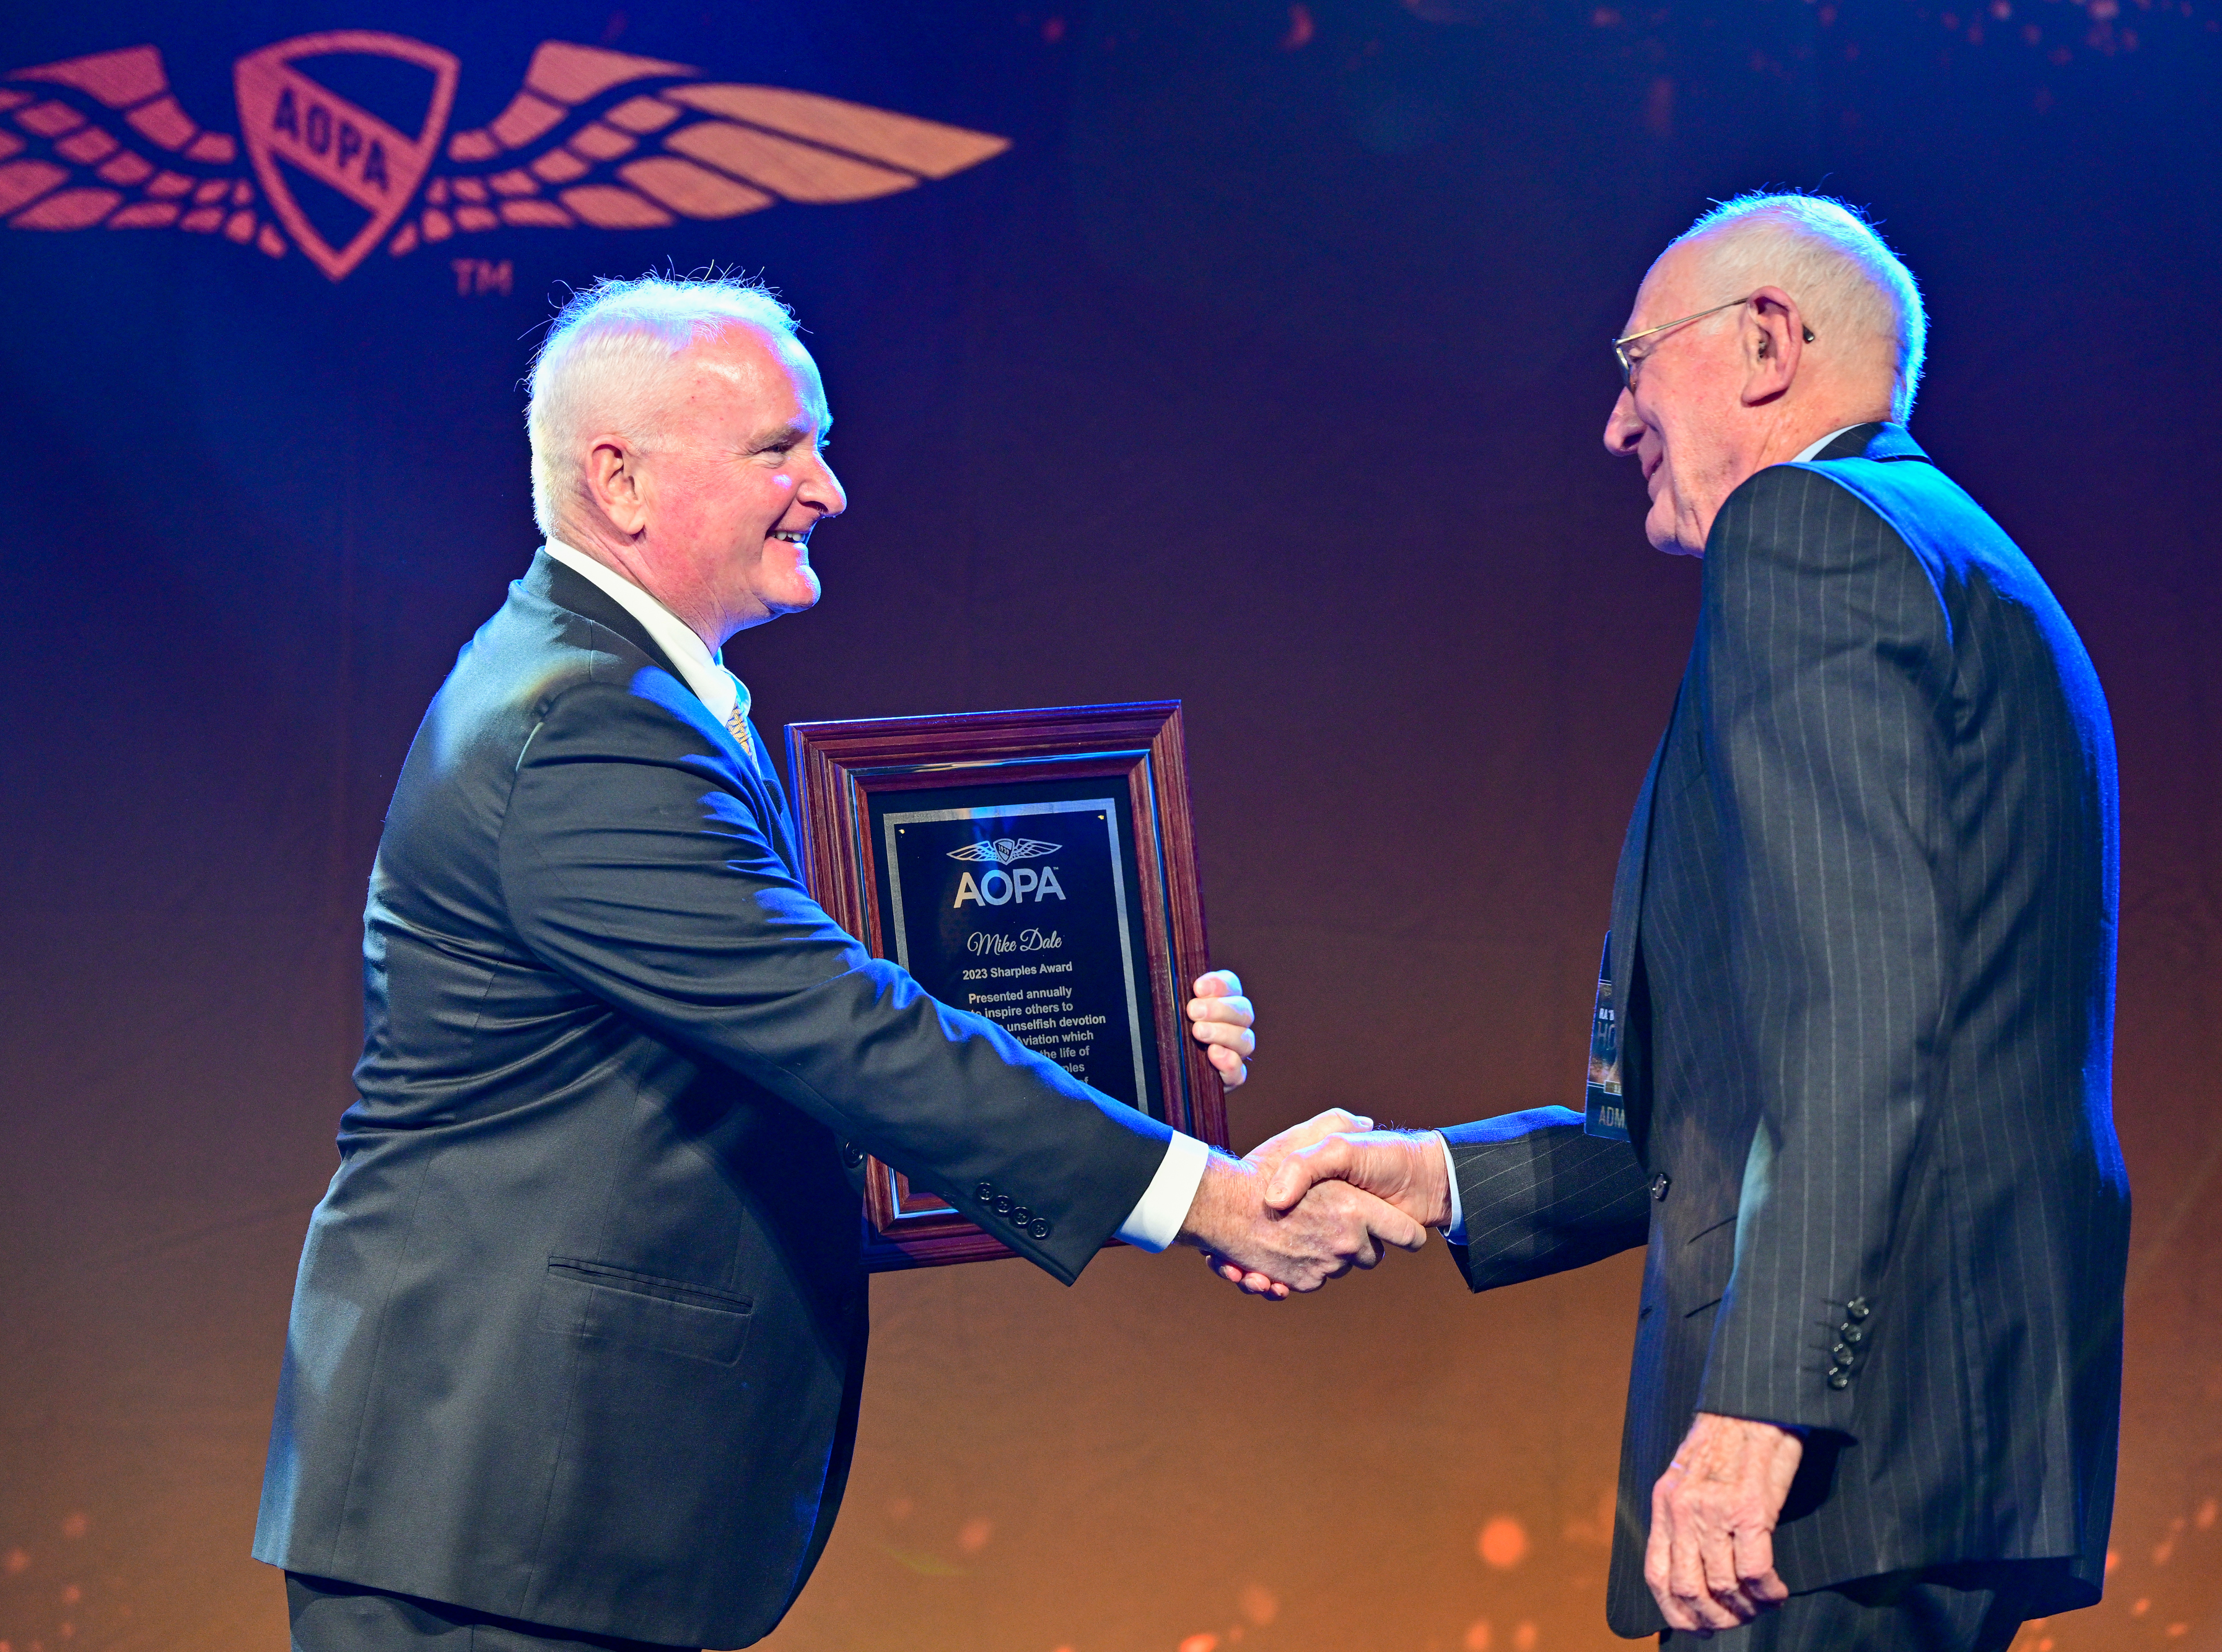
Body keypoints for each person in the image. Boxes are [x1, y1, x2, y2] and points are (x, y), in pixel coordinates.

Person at [254, 274, 1421, 1652]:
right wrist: (1207, 1196)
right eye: (780, 449)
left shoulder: (626, 695)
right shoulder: (583, 727)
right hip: (495, 1522)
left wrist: (1133, 1043)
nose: (829, 489)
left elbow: (796, 1021)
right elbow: (840, 1030)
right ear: (619, 480)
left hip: (543, 1518)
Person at [1246, 194, 2128, 1650]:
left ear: (1766, 343)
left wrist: (1762, 1402)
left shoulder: (1806, 530)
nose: (1613, 425)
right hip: (1944, 1431)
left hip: (1842, 1455)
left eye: (1633, 361)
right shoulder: (1963, 561)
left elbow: (1865, 1015)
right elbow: (1744, 1106)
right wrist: (1431, 1177)